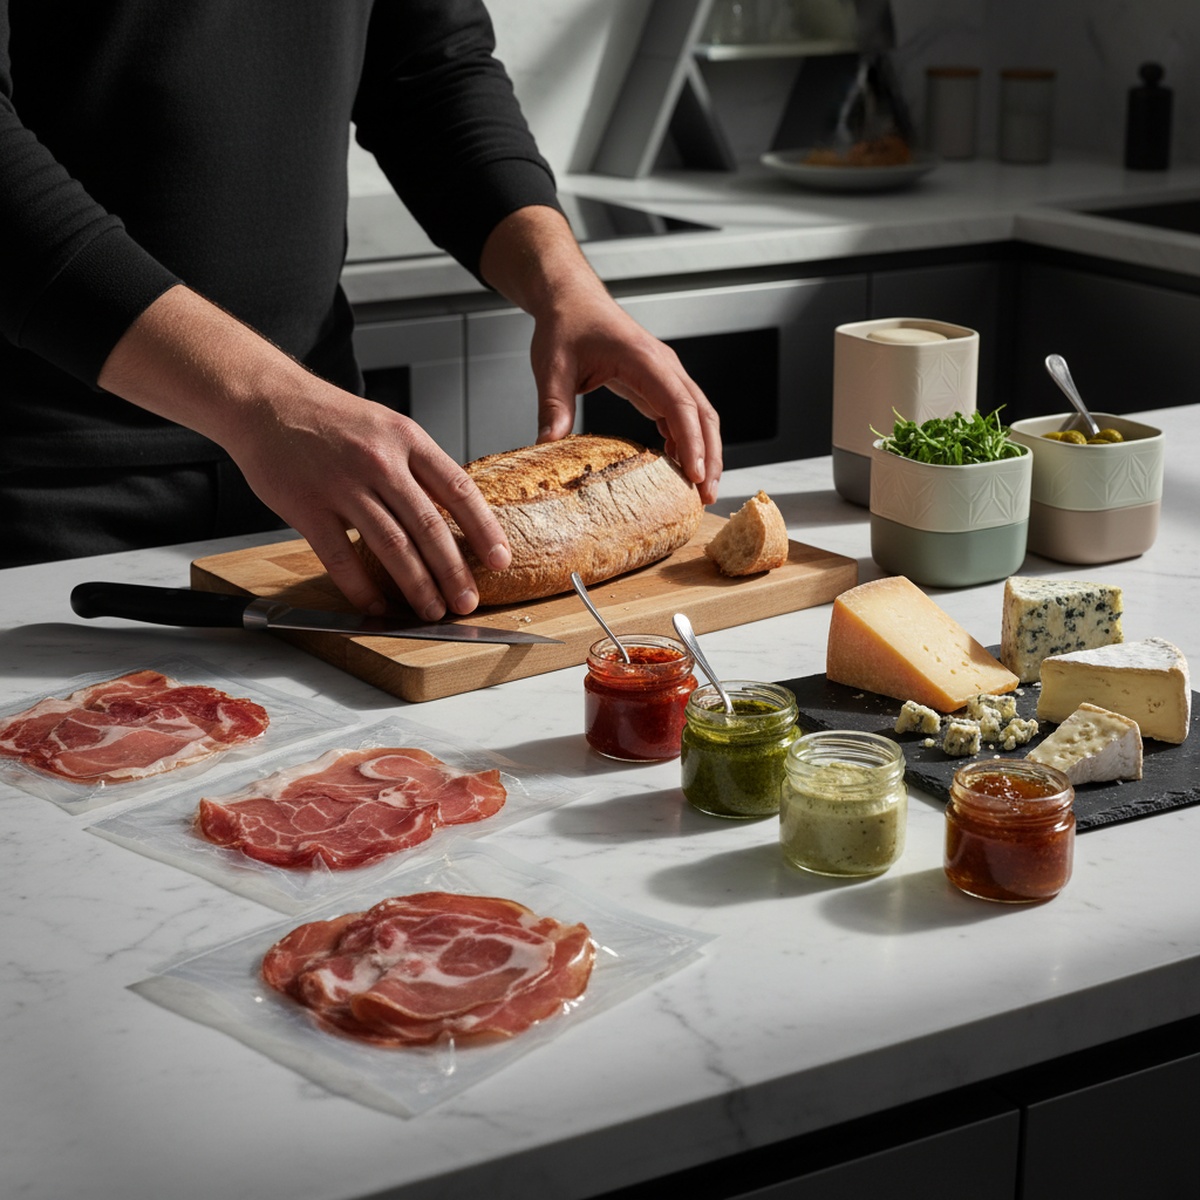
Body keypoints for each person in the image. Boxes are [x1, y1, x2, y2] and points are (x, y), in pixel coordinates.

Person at [0, 0, 722, 621]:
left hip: (322, 485)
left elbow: (431, 75)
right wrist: (263, 399)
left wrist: (567, 288)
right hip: (44, 490)